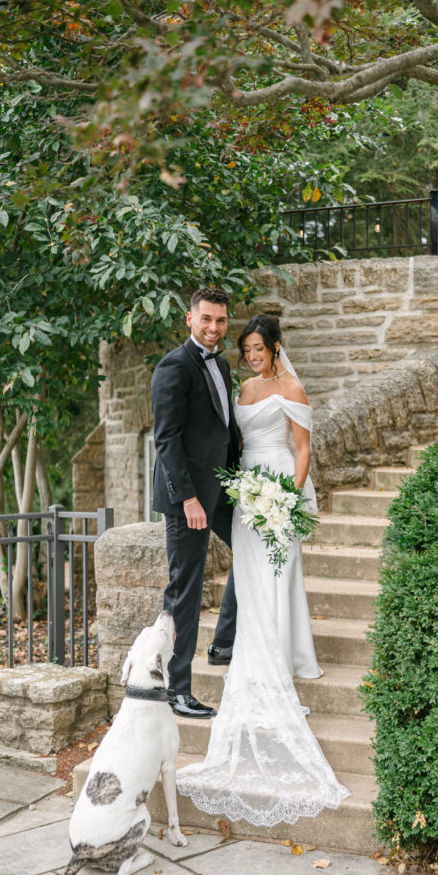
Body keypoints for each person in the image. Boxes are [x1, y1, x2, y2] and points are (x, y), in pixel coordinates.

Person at [176, 314, 350, 825]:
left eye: (258, 348)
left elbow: (302, 449)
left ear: (275, 347)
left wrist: (290, 502)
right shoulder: (244, 386)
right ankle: (258, 648)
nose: (251, 355)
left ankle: (286, 656)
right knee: (252, 578)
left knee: (281, 576)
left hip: (278, 487)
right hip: (247, 489)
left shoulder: (291, 386)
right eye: (245, 348)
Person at [150, 286, 240, 718]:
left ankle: (224, 641)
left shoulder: (221, 364)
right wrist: (187, 497)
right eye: (206, 319)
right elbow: (166, 440)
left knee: (257, 548)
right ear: (190, 319)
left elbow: (224, 431)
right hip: (187, 497)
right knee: (184, 590)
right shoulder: (173, 367)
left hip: (222, 488)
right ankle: (175, 689)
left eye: (221, 320)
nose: (213, 327)